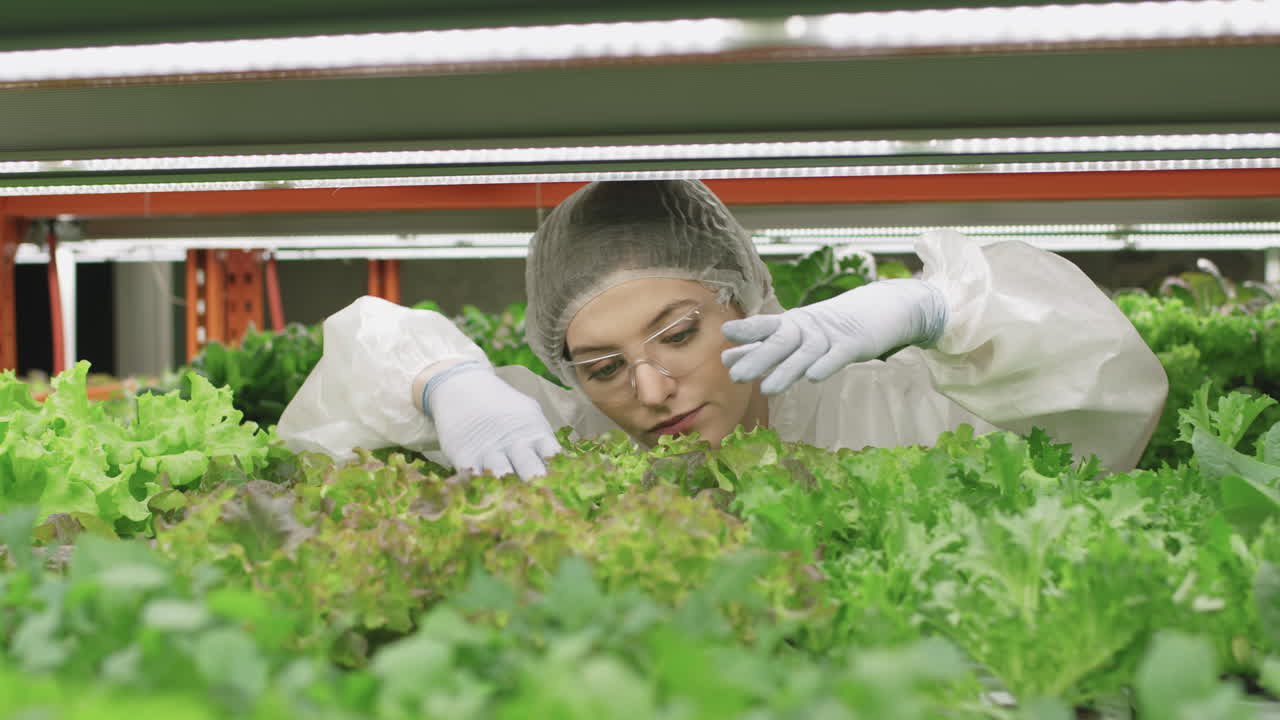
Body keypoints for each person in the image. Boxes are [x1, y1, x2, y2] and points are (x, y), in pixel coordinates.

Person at [278, 180, 1168, 478]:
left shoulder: (892, 419)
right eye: (601, 366)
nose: (651, 390)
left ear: (748, 302)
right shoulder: (541, 445)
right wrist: (441, 383)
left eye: (677, 334)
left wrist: (931, 306)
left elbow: (1099, 399)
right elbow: (335, 415)